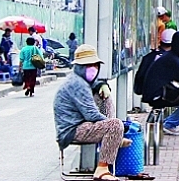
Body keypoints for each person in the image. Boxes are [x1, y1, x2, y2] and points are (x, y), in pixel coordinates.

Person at [54, 44, 131, 181]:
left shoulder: (81, 81)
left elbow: (95, 83)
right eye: (89, 65)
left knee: (104, 98)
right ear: (79, 67)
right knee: (115, 125)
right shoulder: (77, 84)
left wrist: (102, 85)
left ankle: (114, 137)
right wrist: (118, 126)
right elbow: (91, 115)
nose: (93, 69)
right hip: (72, 131)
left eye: (95, 65)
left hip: (80, 125)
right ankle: (102, 169)